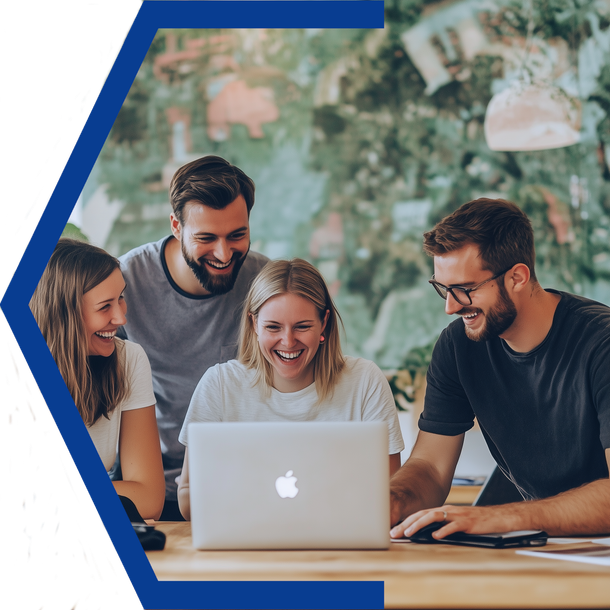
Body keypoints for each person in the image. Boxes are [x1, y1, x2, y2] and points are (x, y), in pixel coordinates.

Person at [389, 198, 610, 540]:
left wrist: (504, 518)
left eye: (465, 289)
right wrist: (391, 500)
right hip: (544, 546)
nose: (450, 307)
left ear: (517, 277)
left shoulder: (601, 343)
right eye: (443, 289)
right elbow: (430, 468)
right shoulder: (458, 347)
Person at [177, 258, 405, 520]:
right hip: (244, 546)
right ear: (254, 325)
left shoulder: (365, 382)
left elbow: (390, 498)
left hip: (339, 548)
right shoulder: (219, 385)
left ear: (324, 323)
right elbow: (187, 497)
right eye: (273, 327)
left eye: (302, 327)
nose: (287, 341)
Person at [116, 155, 269, 519]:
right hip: (147, 487)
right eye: (206, 238)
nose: (223, 253)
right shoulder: (123, 284)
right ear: (176, 226)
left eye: (237, 235)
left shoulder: (264, 282)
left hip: (247, 484)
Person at [30, 238, 165, 520]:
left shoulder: (128, 359)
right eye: (105, 307)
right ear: (63, 314)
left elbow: (149, 497)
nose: (121, 318)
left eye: (121, 298)